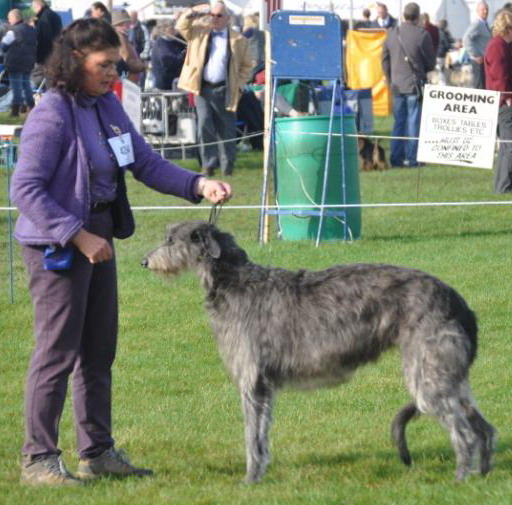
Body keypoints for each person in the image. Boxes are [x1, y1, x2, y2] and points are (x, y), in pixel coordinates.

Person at [10, 18, 231, 487]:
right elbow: (25, 189)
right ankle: (38, 459)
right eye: (104, 65)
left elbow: (144, 162)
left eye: (117, 64)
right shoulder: (51, 112)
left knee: (97, 352)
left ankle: (98, 452)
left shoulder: (106, 106)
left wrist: (197, 183)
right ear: (75, 62)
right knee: (57, 352)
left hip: (99, 236)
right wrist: (77, 235)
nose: (114, 73)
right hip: (59, 246)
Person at [176, 1, 253, 176]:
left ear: (228, 18)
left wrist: (239, 85)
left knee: (226, 129)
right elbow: (180, 25)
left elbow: (248, 66)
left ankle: (227, 167)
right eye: (212, 15)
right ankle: (208, 164)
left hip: (226, 89)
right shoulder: (198, 32)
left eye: (219, 15)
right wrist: (194, 10)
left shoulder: (239, 40)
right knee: (204, 126)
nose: (214, 19)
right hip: (201, 88)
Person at [382, 2, 436, 168]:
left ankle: (396, 159)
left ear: (404, 16)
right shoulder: (422, 35)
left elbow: (384, 60)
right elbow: (431, 63)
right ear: (417, 16)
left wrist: (390, 80)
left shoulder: (391, 34)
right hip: (415, 85)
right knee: (413, 123)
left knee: (398, 123)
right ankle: (413, 159)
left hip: (397, 86)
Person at [484, 10, 512, 193]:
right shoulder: (497, 46)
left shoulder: (504, 45)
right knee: (509, 146)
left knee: (506, 147)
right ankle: (504, 187)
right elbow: (500, 76)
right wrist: (509, 98)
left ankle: (502, 187)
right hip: (504, 104)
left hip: (504, 102)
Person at [1, 9, 37, 116]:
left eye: (9, 18)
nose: (8, 20)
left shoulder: (13, 31)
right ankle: (30, 106)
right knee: (26, 85)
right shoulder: (32, 30)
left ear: (15, 18)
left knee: (16, 87)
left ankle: (15, 111)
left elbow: (3, 46)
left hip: (15, 63)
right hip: (29, 62)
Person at [31, 0, 62, 85]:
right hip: (54, 51)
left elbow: (45, 38)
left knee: (40, 78)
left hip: (45, 54)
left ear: (39, 6)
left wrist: (40, 55)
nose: (33, 10)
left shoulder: (44, 18)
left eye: (33, 7)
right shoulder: (54, 15)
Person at [111, 9, 146, 85]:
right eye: (126, 23)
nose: (129, 25)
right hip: (128, 81)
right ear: (118, 24)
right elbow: (127, 61)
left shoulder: (123, 37)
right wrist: (144, 66)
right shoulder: (120, 38)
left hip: (129, 81)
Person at [463, 1, 491, 89]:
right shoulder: (477, 24)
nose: (485, 11)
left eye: (486, 9)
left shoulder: (484, 23)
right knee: (480, 86)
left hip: (484, 60)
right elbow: (466, 38)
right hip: (479, 61)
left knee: (483, 85)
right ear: (477, 11)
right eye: (483, 10)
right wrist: (475, 55)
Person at [150, 19, 186, 90]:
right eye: (172, 28)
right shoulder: (160, 44)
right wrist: (183, 54)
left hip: (175, 81)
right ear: (164, 30)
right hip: (164, 84)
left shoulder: (175, 41)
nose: (174, 30)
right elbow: (169, 62)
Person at [437, 19, 454, 85]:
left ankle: (443, 83)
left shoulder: (443, 32)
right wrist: (454, 46)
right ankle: (442, 84)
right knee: (441, 70)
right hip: (441, 54)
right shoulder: (442, 33)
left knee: (442, 69)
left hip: (441, 54)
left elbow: (450, 40)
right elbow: (447, 44)